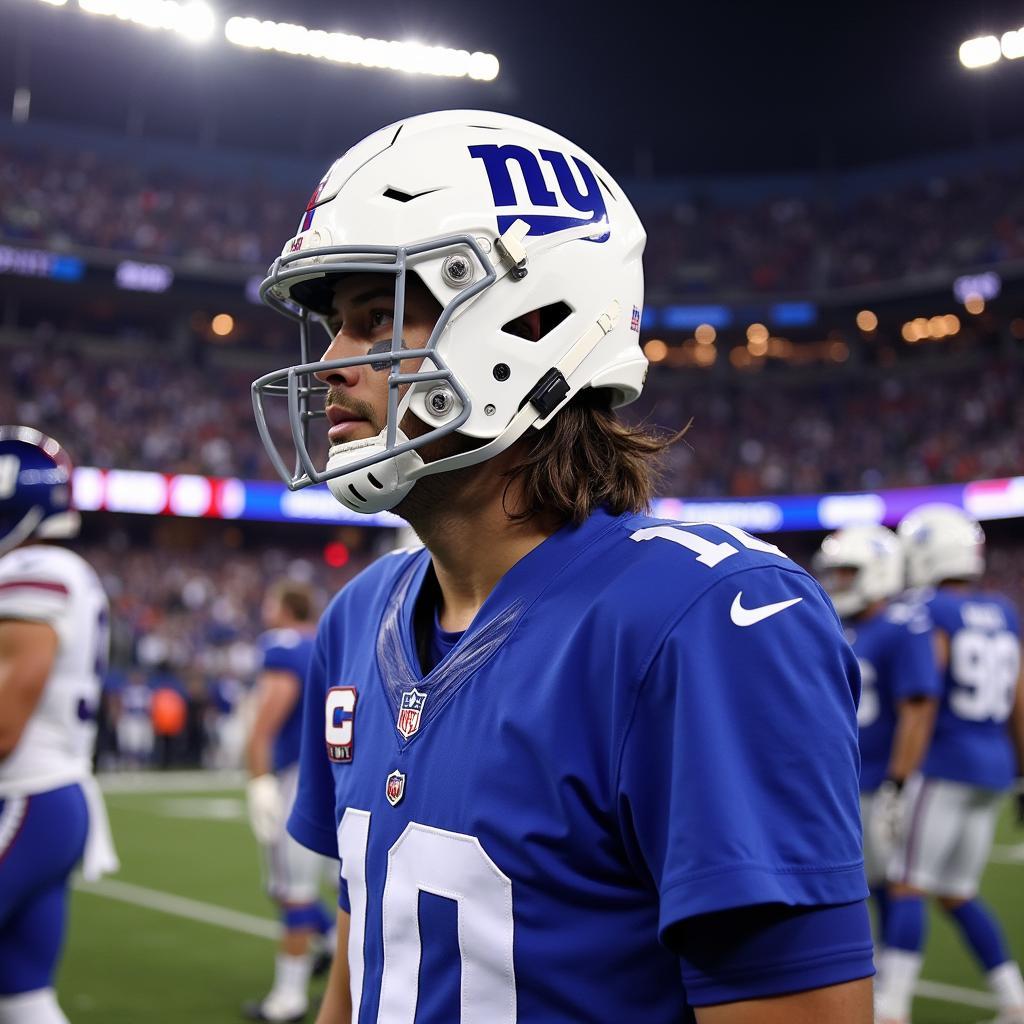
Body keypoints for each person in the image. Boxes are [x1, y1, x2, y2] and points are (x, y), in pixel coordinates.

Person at [251, 110, 875, 1023]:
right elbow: (364, 961)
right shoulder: (360, 613)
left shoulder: (707, 620)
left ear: (531, 318)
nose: (335, 366)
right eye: (334, 328)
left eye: (375, 317)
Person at [874, 504, 1024, 1024]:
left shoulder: (931, 611)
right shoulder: (1004, 611)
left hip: (945, 763)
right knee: (957, 891)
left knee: (906, 883)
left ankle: (890, 1006)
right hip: (996, 769)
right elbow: (1020, 701)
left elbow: (924, 698)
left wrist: (897, 779)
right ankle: (1013, 996)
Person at [0, 426, 118, 1024]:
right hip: (54, 797)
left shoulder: (32, 570)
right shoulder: (64, 570)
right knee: (21, 995)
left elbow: (2, 726)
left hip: (24, 797)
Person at [812, 524, 940, 946]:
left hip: (879, 778)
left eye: (849, 572)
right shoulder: (838, 626)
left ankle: (890, 987)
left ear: (879, 570)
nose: (839, 582)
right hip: (843, 780)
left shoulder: (902, 625)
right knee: (858, 885)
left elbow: (916, 710)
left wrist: (899, 782)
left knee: (889, 881)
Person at [243, 580, 335, 1023]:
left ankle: (288, 998)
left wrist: (257, 779)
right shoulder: (326, 637)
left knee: (291, 891)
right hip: (338, 774)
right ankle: (337, 945)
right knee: (326, 888)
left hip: (298, 777)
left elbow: (265, 721)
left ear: (286, 607)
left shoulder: (282, 646)